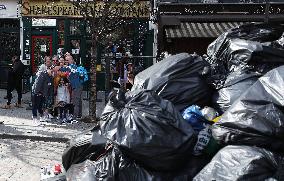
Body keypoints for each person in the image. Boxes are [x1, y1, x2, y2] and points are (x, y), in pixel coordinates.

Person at [66, 54, 83, 120]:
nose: (66, 61)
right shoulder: (75, 66)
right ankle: (79, 114)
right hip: (79, 85)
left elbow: (68, 77)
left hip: (76, 86)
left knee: (75, 101)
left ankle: (75, 116)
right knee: (78, 100)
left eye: (68, 60)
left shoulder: (70, 67)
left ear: (72, 60)